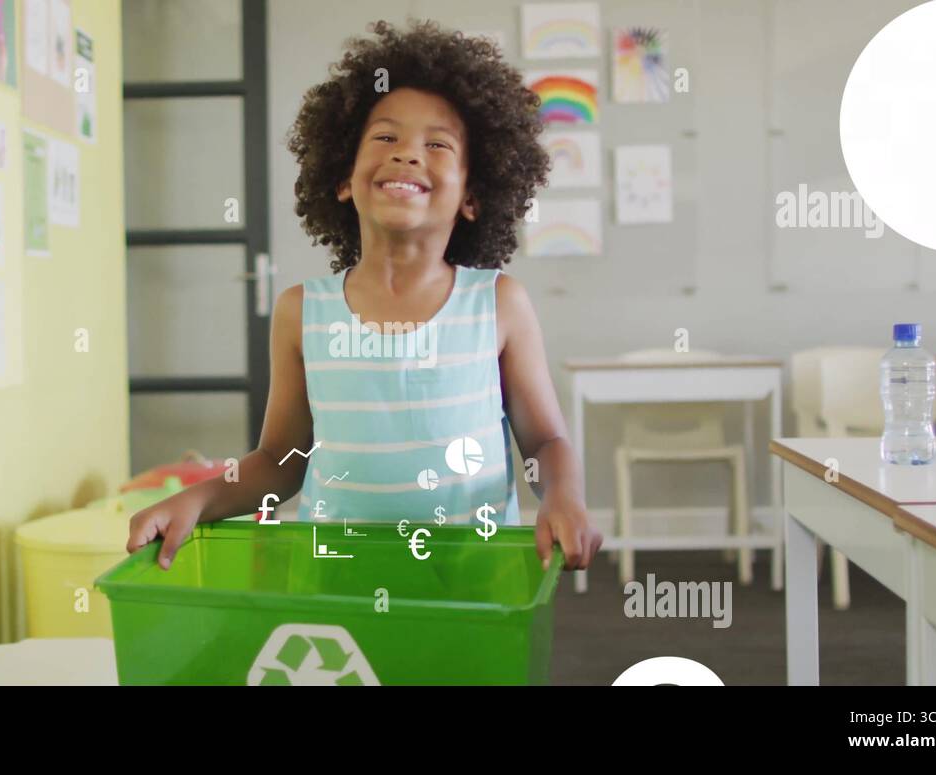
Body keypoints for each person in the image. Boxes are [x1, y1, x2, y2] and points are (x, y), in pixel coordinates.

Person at [128, 20, 602, 572]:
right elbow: (282, 461)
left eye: (437, 144)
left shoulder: (498, 303)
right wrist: (198, 498)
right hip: (336, 574)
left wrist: (562, 496)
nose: (407, 154)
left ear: (473, 195)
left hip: (471, 577)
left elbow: (545, 441)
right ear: (342, 179)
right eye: (384, 137)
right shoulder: (300, 311)